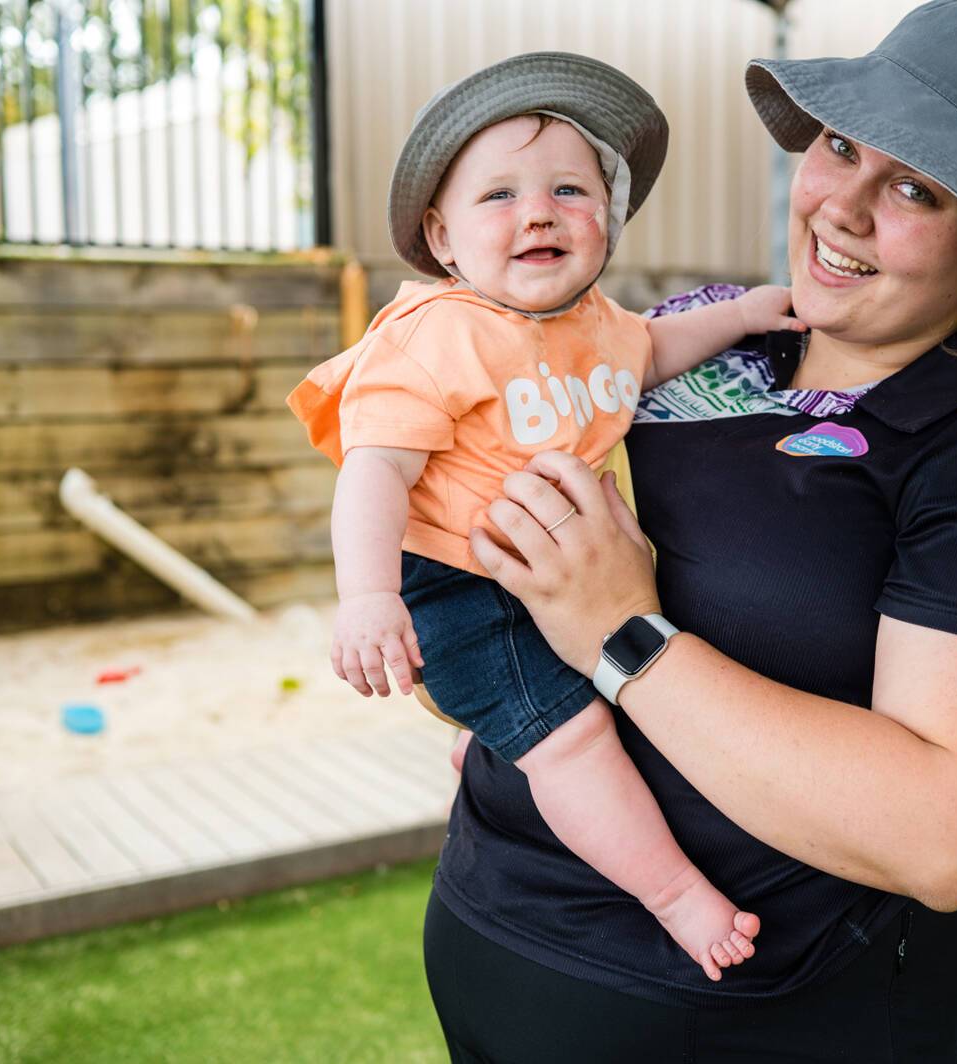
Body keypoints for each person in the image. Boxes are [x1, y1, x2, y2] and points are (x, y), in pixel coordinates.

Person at [423, 2, 957, 1060]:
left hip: (748, 1009)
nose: (838, 206)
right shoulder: (705, 332)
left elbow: (944, 835)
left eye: (912, 186)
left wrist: (619, 633)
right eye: (840, 145)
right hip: (491, 921)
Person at [286, 52, 804, 981]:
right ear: (443, 238)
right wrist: (366, 597)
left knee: (613, 674)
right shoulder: (436, 336)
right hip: (460, 584)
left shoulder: (597, 321)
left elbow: (655, 349)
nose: (538, 211)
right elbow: (373, 473)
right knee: (575, 741)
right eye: (499, 197)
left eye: (570, 189)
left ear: (607, 220)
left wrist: (746, 313)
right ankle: (677, 896)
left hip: (552, 568)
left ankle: (490, 729)